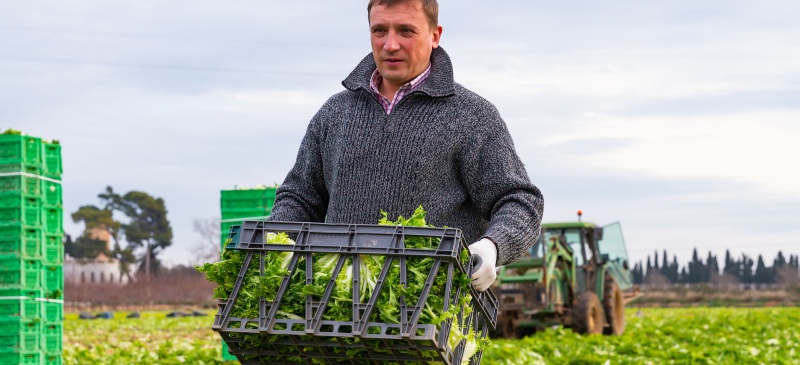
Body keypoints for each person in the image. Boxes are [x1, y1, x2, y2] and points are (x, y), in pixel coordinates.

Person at [267, 0, 544, 292]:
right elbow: (300, 197)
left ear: (435, 35)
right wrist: (273, 243)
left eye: (405, 31)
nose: (390, 44)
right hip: (339, 309)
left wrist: (492, 246)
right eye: (379, 30)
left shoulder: (472, 116)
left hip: (435, 312)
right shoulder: (335, 113)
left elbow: (519, 200)